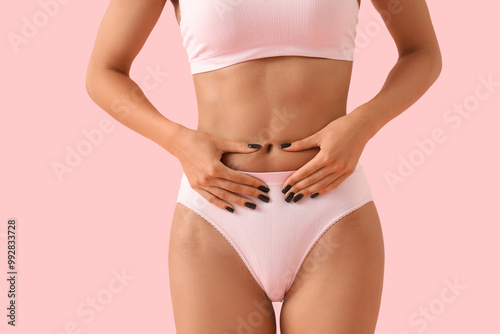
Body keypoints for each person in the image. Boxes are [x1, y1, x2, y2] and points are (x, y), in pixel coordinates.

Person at [85, 0, 442, 332]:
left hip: (333, 211)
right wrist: (178, 141)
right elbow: (104, 71)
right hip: (216, 215)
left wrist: (363, 125)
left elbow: (422, 52)